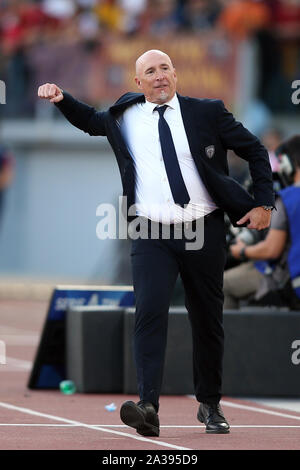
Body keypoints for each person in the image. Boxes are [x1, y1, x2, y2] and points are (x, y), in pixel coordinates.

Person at [37, 49, 274, 436]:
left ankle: (210, 404)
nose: (160, 75)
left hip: (202, 229)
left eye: (165, 68)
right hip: (152, 233)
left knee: (207, 320)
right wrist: (62, 98)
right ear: (139, 83)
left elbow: (255, 150)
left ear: (176, 75)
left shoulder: (207, 112)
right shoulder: (122, 115)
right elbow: (89, 121)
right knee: (149, 312)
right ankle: (147, 405)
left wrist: (264, 202)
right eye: (151, 71)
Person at [226, 135, 300, 311]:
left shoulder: (288, 198)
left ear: (289, 163)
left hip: (289, 278)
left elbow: (271, 250)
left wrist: (241, 251)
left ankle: (226, 338)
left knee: (222, 285)